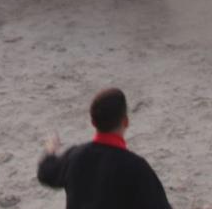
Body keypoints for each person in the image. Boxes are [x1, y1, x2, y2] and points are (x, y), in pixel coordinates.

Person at [37, 87, 171, 209]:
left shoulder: (75, 156)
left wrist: (51, 150)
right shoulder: (136, 167)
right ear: (125, 122)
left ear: (93, 122)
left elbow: (46, 173)